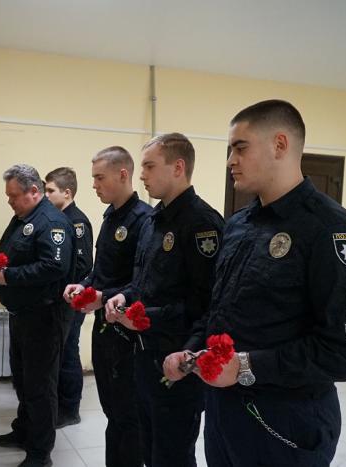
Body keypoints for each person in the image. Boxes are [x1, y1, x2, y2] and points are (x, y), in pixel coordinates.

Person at [163, 99, 346, 467]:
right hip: (225, 414)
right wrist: (192, 350)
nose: (230, 160)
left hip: (285, 420)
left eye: (240, 147)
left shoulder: (330, 229)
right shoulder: (238, 225)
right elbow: (221, 308)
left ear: (280, 145)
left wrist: (246, 366)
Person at [106, 133, 224, 467]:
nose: (141, 175)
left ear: (178, 167)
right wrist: (123, 296)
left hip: (178, 358)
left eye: (149, 166)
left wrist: (146, 318)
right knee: (149, 449)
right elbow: (143, 282)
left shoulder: (202, 223)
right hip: (145, 355)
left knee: (172, 456)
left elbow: (206, 305)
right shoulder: (153, 220)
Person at [63, 146, 152, 467]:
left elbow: (142, 282)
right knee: (113, 412)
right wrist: (85, 286)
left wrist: (104, 296)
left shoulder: (143, 220)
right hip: (105, 327)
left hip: (127, 332)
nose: (94, 185)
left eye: (100, 178)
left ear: (122, 174)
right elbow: (102, 271)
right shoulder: (111, 216)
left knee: (129, 416)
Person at [0, 164, 75, 467]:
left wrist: (8, 277)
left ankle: (40, 453)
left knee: (40, 387)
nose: (9, 201)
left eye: (14, 196)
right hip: (22, 314)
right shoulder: (22, 218)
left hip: (44, 318)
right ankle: (23, 431)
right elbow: (7, 256)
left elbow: (54, 267)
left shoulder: (52, 222)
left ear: (34, 191)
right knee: (23, 381)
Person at [44, 167, 93, 428]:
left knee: (68, 352)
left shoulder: (77, 222)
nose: (46, 195)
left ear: (67, 192)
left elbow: (83, 265)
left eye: (50, 190)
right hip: (58, 300)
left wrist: (69, 290)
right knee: (59, 353)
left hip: (72, 300)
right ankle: (58, 405)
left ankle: (70, 409)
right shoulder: (57, 219)